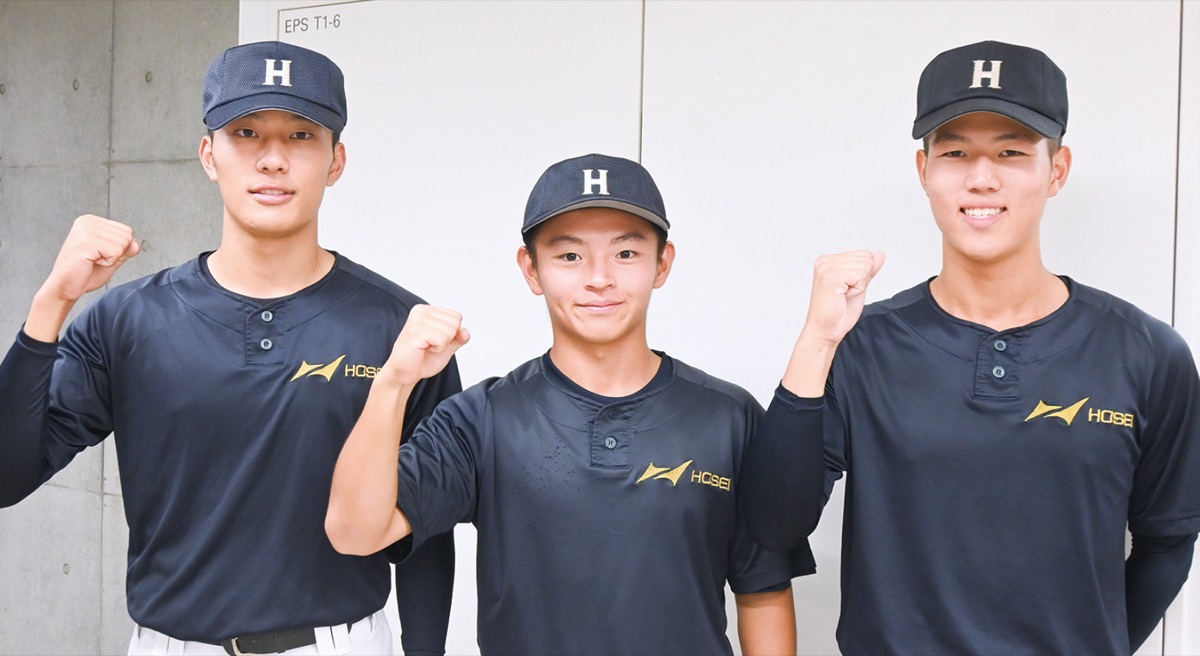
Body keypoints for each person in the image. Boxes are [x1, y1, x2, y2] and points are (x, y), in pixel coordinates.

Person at [0, 41, 459, 656]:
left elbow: (427, 522)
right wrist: (51, 304)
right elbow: (7, 477)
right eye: (245, 132)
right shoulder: (127, 319)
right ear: (208, 155)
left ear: (336, 161)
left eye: (301, 135)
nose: (272, 159)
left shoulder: (401, 327)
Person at [742, 40, 1200, 655]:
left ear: (1057, 170)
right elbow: (774, 526)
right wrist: (818, 339)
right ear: (923, 170)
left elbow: (1168, 540)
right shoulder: (860, 345)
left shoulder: (1147, 354)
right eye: (955, 153)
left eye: (1011, 152)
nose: (981, 178)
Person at [326, 153, 811, 654]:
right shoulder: (483, 419)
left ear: (662, 263)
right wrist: (393, 384)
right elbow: (354, 533)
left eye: (626, 253)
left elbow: (763, 589)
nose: (599, 278)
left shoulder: (729, 418)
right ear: (531, 269)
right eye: (570, 256)